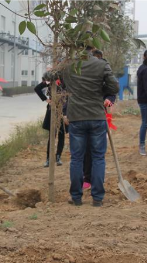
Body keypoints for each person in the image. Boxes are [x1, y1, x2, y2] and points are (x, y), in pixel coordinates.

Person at [62, 45, 119, 207]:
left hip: (76, 117)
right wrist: (100, 88)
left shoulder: (69, 65)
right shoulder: (101, 64)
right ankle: (97, 198)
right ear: (93, 46)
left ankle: (76, 197)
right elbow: (114, 87)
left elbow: (57, 79)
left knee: (77, 158)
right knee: (98, 157)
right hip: (96, 116)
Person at [83, 49, 116, 190]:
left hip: (99, 116)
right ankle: (87, 178)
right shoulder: (83, 73)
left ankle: (97, 179)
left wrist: (109, 99)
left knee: (97, 151)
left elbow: (112, 91)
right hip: (83, 115)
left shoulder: (105, 73)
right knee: (86, 150)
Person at [34, 66, 67, 167]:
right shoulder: (50, 80)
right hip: (52, 110)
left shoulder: (65, 81)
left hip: (63, 109)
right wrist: (47, 100)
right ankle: (48, 158)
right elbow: (37, 88)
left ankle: (58, 157)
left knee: (62, 134)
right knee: (52, 135)